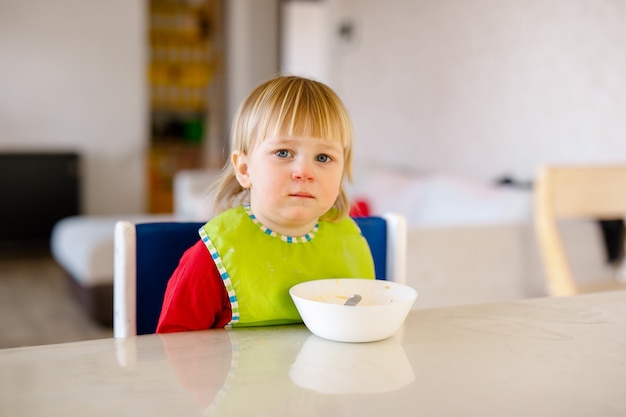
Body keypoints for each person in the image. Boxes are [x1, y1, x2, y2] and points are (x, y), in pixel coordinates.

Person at [156, 75, 375, 333]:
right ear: (245, 168)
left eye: (323, 157)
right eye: (283, 153)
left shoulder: (350, 244)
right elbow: (172, 351)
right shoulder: (214, 257)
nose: (304, 171)